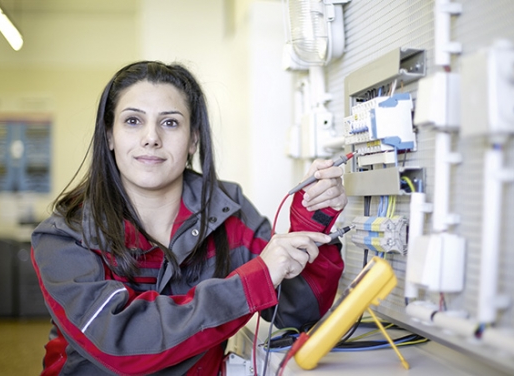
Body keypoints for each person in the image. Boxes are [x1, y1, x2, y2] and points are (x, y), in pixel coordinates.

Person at [31, 61, 347, 375]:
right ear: (109, 136)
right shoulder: (64, 236)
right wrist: (252, 283)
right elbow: (122, 344)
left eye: (170, 123)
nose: (151, 138)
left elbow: (297, 309)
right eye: (132, 121)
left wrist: (312, 218)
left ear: (193, 139)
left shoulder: (227, 211)